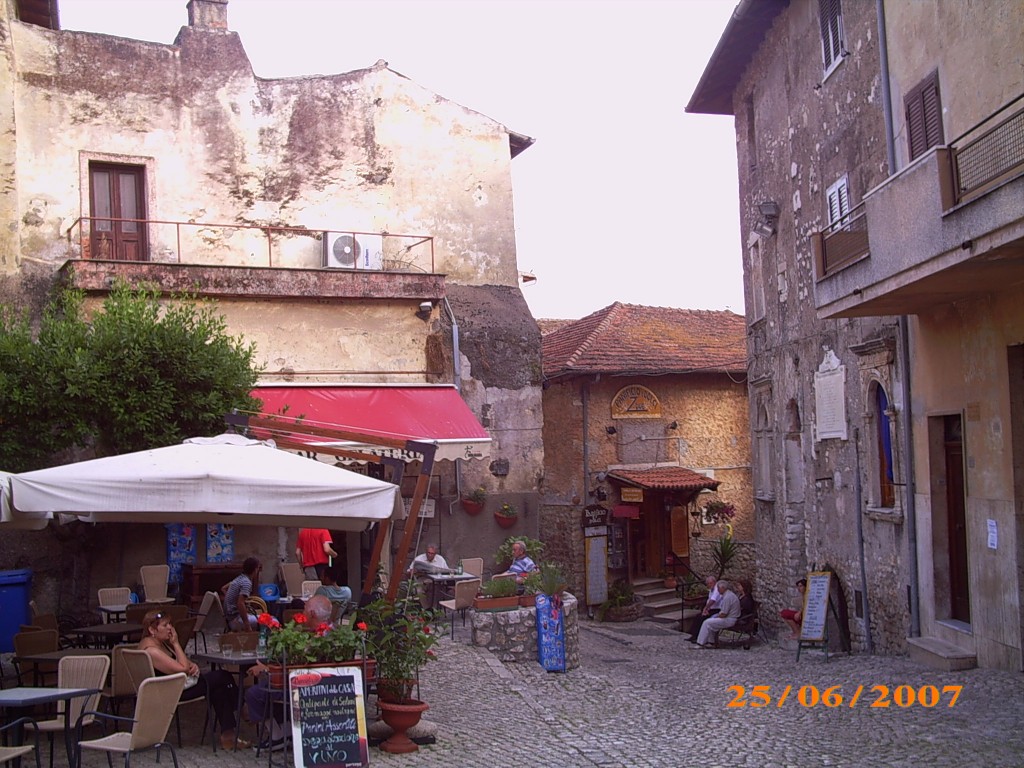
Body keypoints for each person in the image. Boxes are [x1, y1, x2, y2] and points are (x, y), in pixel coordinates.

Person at [138, 609, 250, 750]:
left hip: (177, 685)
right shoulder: (152, 650)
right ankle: (244, 709)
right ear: (152, 629)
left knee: (219, 688)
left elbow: (184, 663)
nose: (170, 628)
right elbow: (183, 667)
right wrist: (176, 643)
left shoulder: (159, 643)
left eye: (170, 624)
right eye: (165, 625)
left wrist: (193, 665)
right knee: (222, 676)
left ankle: (228, 735)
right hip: (172, 692)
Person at [244, 595, 334, 752]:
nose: (303, 611)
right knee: (270, 686)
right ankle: (286, 732)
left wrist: (266, 669)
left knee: (255, 693)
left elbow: (298, 669)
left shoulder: (318, 640)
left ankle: (277, 736)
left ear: (312, 613)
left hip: (308, 689)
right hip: (324, 687)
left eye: (305, 608)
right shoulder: (332, 632)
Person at [696, 579, 741, 648]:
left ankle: (700, 643)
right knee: (711, 621)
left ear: (723, 588)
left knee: (707, 622)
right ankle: (711, 642)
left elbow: (724, 614)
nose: (718, 590)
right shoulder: (728, 595)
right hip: (729, 617)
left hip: (729, 619)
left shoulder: (727, 597)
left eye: (719, 588)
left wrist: (717, 617)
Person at [223, 557, 261, 631]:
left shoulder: (239, 578)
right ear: (255, 569)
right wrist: (247, 625)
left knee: (265, 617)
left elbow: (224, 588)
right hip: (235, 620)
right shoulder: (246, 583)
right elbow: (240, 603)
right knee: (271, 621)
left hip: (230, 618)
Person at [686, 576, 722, 643]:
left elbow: (713, 600)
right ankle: (694, 635)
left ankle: (698, 637)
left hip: (717, 610)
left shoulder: (717, 589)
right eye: (707, 583)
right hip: (711, 609)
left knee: (702, 618)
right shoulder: (712, 589)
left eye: (710, 583)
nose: (709, 585)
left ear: (714, 582)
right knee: (697, 617)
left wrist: (706, 608)